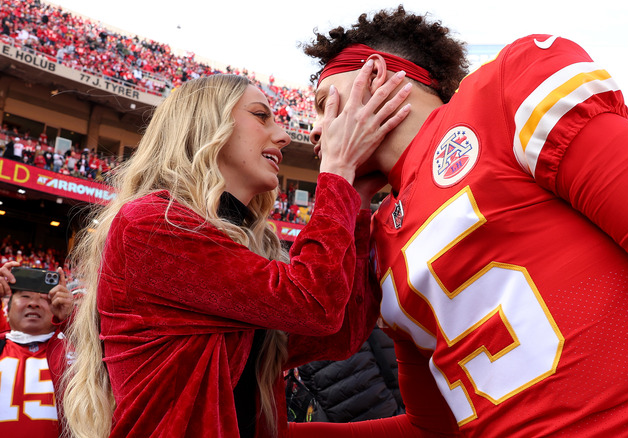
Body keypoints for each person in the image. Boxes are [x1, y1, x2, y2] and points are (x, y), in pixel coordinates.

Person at [298, 6, 628, 437]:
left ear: (376, 72)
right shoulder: (380, 238)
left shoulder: (502, 94)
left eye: (322, 104)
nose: (315, 130)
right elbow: (431, 429)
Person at [61, 71, 412, 438]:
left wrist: (355, 201)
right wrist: (337, 173)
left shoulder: (243, 239)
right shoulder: (149, 223)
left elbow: (338, 334)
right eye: (261, 116)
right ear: (205, 125)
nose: (284, 136)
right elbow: (312, 303)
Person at [0, 261, 74, 438]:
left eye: (44, 298)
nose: (34, 303)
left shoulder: (73, 350)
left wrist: (73, 319)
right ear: (6, 310)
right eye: (25, 296)